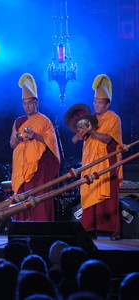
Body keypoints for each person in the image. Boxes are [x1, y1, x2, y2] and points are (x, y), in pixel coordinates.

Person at [10, 73, 60, 221]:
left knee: (38, 197)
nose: (27, 106)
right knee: (22, 198)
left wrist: (36, 136)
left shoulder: (45, 121)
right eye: (24, 103)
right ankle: (22, 226)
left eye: (30, 103)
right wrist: (19, 138)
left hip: (38, 166)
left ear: (36, 103)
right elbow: (12, 144)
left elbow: (51, 143)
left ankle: (41, 226)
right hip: (21, 166)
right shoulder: (18, 122)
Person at [78, 74, 123, 240]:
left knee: (109, 195)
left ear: (107, 104)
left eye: (100, 102)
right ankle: (89, 229)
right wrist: (81, 131)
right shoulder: (91, 119)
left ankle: (113, 230)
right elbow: (79, 138)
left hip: (106, 161)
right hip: (90, 162)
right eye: (95, 102)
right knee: (89, 192)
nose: (96, 105)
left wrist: (92, 132)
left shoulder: (113, 118)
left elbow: (108, 139)